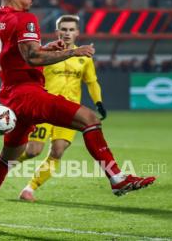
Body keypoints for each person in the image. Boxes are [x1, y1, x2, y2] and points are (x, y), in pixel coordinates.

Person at [0, 0, 155, 229]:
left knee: (9, 156)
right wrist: (72, 51)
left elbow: (18, 55)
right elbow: (31, 58)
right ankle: (117, 178)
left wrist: (45, 48)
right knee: (90, 119)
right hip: (28, 93)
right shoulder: (26, 19)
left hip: (10, 95)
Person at [17, 14, 107, 202]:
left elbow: (91, 82)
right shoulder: (46, 54)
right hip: (45, 109)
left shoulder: (84, 58)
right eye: (64, 29)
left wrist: (98, 102)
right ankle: (6, 163)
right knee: (33, 150)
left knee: (57, 151)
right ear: (57, 32)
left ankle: (29, 189)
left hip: (70, 111)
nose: (67, 33)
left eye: (71, 29)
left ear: (77, 32)